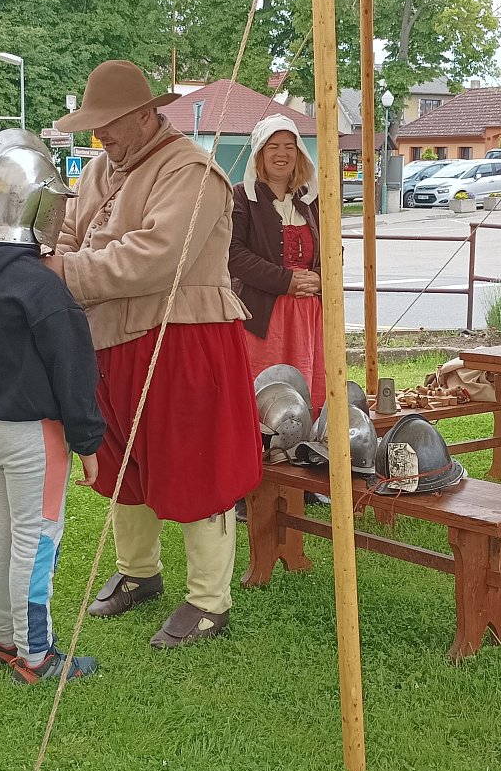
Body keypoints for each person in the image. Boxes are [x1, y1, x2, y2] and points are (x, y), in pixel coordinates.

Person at [50, 60, 262, 649]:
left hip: (184, 341)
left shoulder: (191, 171)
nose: (101, 135)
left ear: (146, 115)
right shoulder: (100, 169)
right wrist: (49, 262)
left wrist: (63, 272)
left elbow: (156, 258)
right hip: (110, 340)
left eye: (109, 123)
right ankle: (138, 572)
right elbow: (68, 235)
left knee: (196, 463)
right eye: (95, 125)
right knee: (123, 459)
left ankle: (209, 602)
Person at [0, 128, 106, 683]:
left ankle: (3, 639)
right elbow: (73, 370)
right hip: (33, 433)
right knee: (34, 541)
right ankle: (35, 655)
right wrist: (88, 443)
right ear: (36, 207)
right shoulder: (40, 286)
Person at [229, 115, 324, 414]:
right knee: (264, 393)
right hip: (262, 319)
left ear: (299, 153)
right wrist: (286, 281)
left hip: (307, 319)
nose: (282, 154)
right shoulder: (241, 196)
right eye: (273, 146)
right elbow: (233, 254)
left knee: (306, 393)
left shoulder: (311, 199)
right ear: (260, 152)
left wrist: (320, 277)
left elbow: (334, 250)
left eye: (289, 146)